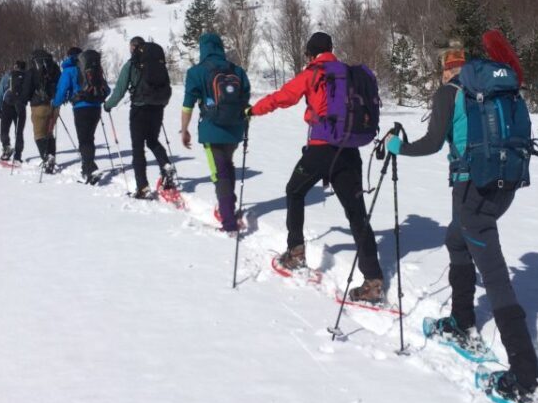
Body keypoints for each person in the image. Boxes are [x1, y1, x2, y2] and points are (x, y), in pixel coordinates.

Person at [385, 39, 538, 403]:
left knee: (496, 275)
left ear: (445, 69)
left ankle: (525, 380)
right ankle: (461, 320)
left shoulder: (450, 94)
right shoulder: (497, 91)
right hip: (505, 186)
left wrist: (397, 147)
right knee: (456, 239)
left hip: (471, 188)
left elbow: (431, 143)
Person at [248, 32, 384, 303]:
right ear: (331, 49)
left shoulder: (314, 72)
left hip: (321, 149)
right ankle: (373, 281)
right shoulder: (347, 73)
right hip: (349, 151)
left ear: (310, 54)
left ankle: (295, 253)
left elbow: (282, 97)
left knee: (294, 191)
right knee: (357, 214)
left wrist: (253, 110)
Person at [181, 33, 250, 232]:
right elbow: (245, 100)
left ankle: (228, 221)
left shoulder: (196, 72)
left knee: (219, 173)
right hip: (235, 129)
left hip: (212, 130)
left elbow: (188, 105)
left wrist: (184, 129)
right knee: (228, 166)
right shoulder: (237, 70)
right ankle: (228, 206)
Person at [104, 36, 176, 199]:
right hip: (157, 107)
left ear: (133, 47)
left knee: (138, 147)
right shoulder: (158, 63)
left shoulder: (131, 65)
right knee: (152, 140)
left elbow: (119, 90)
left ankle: (142, 186)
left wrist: (108, 105)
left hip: (139, 108)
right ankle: (166, 166)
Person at [52, 47, 110, 184]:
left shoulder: (69, 70)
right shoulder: (93, 67)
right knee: (89, 138)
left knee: (84, 140)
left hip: (81, 108)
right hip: (96, 108)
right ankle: (87, 167)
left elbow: (61, 90)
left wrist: (55, 103)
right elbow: (107, 90)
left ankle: (90, 169)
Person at [23, 48, 61, 174]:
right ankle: (51, 157)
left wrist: (24, 100)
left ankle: (46, 158)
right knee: (49, 133)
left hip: (38, 106)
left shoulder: (32, 71)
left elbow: (27, 91)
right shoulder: (55, 68)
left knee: (39, 134)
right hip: (54, 105)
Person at [0, 60, 27, 163]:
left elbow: (0, 92)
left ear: (15, 66)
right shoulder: (27, 77)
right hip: (20, 107)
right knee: (19, 132)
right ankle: (18, 155)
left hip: (7, 105)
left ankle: (6, 149)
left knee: (4, 129)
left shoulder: (8, 76)